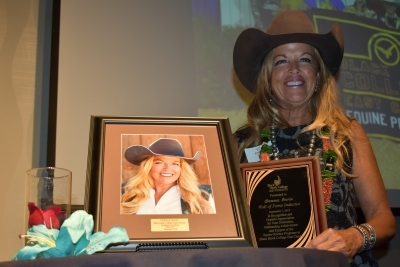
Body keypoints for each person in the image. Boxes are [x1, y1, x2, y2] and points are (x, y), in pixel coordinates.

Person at [233, 10, 395, 266]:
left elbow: (383, 218)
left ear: (318, 74)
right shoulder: (242, 143)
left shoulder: (346, 132)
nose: (294, 70)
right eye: (281, 61)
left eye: (305, 59)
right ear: (268, 76)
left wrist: (354, 237)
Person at [121, 138, 216, 215]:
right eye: (159, 162)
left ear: (182, 168)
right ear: (148, 166)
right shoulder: (126, 195)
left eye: (175, 163)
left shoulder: (203, 199)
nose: (167, 169)